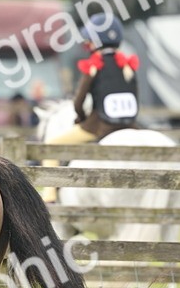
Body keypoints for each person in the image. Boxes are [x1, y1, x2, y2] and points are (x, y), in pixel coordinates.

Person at [41, 14, 139, 201]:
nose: (88, 46)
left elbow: (78, 102)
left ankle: (49, 195)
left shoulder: (94, 66)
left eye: (89, 43)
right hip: (129, 125)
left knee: (50, 145)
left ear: (95, 43)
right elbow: (135, 98)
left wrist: (81, 117)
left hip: (100, 126)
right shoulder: (128, 65)